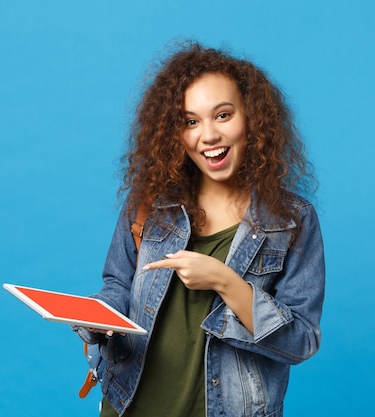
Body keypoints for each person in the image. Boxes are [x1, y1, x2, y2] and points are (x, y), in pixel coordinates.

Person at [74, 41, 325, 417]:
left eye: (222, 115)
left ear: (251, 118)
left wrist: (227, 282)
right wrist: (97, 317)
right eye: (191, 122)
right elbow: (119, 288)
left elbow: (301, 341)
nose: (208, 136)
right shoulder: (149, 204)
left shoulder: (290, 220)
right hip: (128, 405)